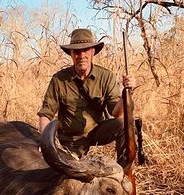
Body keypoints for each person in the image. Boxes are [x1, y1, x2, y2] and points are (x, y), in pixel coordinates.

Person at [37, 28, 135, 168]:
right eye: (76, 52)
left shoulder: (106, 76)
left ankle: (123, 172)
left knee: (125, 124)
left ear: (93, 51)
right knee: (68, 173)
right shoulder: (59, 79)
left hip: (96, 133)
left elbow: (117, 113)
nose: (81, 55)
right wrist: (45, 143)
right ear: (71, 54)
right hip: (69, 138)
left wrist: (127, 94)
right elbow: (45, 114)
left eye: (85, 50)